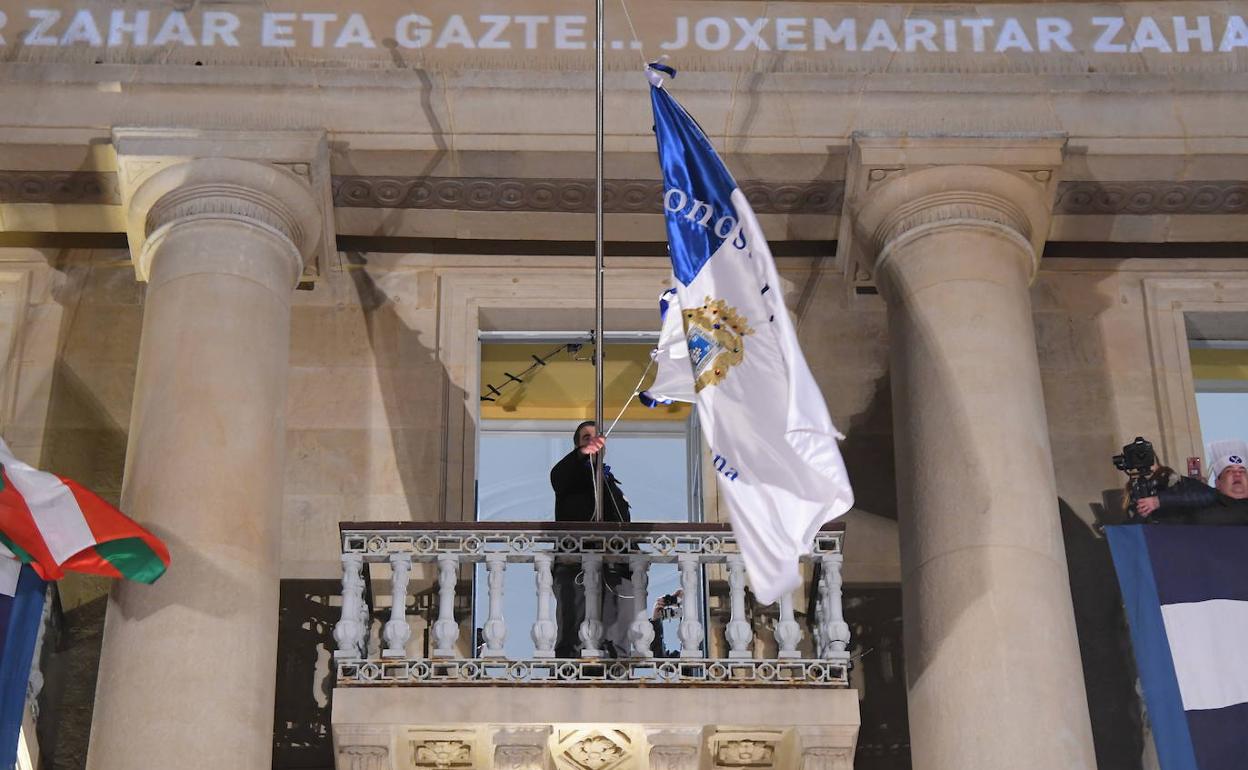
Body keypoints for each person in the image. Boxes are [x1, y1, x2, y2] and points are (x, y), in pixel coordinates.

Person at [549, 421, 630, 657]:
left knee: (615, 629)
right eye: (585, 438)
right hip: (575, 561)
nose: (592, 441)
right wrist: (582, 454)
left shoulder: (609, 481)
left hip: (613, 562)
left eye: (595, 438)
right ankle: (568, 676)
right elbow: (559, 476)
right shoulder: (569, 475)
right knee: (572, 626)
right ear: (577, 446)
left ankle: (616, 675)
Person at [1135, 439, 1248, 525]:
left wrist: (1160, 501)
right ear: (1217, 483)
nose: (1237, 474)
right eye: (1229, 471)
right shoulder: (1205, 501)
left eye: (1242, 471)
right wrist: (1156, 502)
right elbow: (1198, 495)